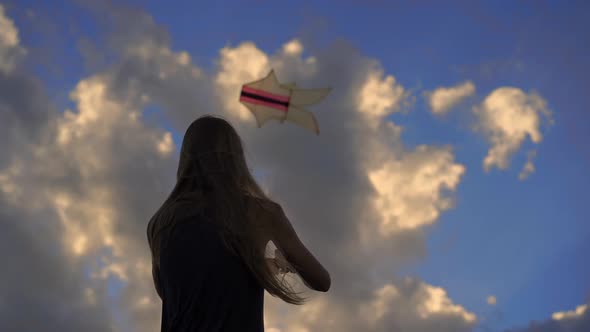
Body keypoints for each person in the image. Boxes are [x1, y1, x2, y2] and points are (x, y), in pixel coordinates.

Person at [147, 115, 331, 331]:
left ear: (186, 158)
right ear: (235, 158)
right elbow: (321, 280)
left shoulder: (161, 222)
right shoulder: (259, 213)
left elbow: (172, 292)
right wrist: (278, 262)